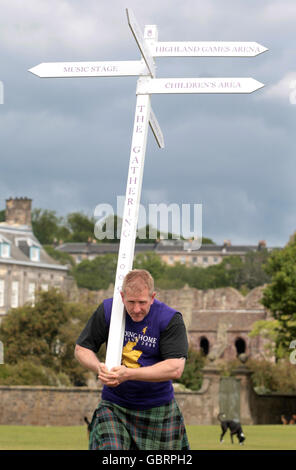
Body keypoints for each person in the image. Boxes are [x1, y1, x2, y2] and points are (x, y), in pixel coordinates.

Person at [75, 269, 190, 450]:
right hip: (114, 405)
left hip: (158, 409)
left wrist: (128, 374)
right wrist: (99, 367)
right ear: (122, 296)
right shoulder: (108, 311)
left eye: (142, 302)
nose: (136, 309)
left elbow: (175, 368)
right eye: (131, 302)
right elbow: (82, 349)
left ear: (153, 297)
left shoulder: (169, 319)